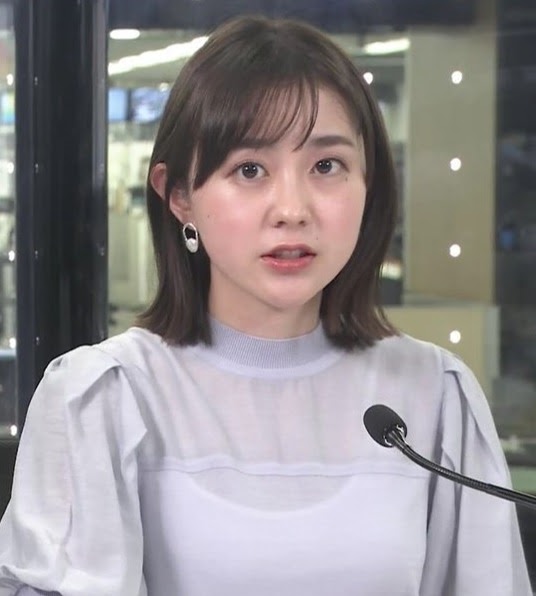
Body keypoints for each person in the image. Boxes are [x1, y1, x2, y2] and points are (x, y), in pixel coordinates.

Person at [0, 14, 531, 596]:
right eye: (249, 170)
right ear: (179, 197)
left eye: (326, 166)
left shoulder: (436, 394)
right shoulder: (106, 396)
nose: (292, 209)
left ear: (369, 184)